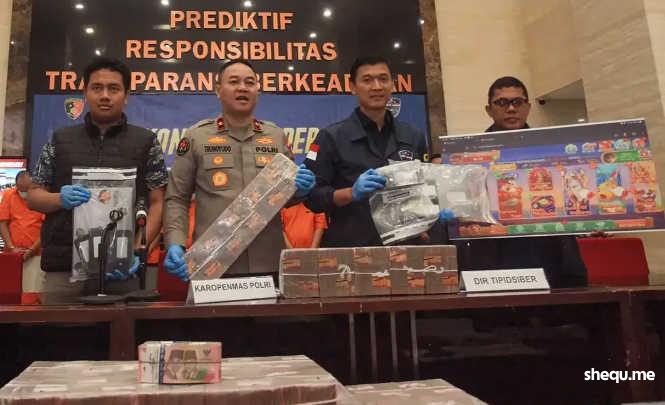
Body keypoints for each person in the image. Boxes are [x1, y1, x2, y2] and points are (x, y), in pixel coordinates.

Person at [28, 57, 168, 302]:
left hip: (122, 271)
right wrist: (59, 198)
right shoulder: (60, 139)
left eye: (113, 89)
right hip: (64, 269)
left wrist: (137, 248)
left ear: (126, 96)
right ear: (85, 92)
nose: (105, 95)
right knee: (56, 327)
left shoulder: (146, 141)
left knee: (123, 327)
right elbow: (33, 196)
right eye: (97, 88)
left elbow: (158, 201)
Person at [163, 59, 315, 281]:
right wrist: (175, 243)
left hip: (268, 262)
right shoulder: (196, 137)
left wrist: (301, 190)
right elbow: (177, 197)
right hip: (212, 264)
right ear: (218, 90)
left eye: (249, 82)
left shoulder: (276, 136)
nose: (243, 88)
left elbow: (286, 198)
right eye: (234, 82)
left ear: (258, 91)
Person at [440, 76, 587, 288]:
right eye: (501, 102)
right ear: (489, 110)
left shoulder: (553, 149)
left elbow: (572, 194)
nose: (511, 108)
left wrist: (594, 217)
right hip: (493, 254)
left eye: (517, 102)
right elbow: (459, 205)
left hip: (548, 250)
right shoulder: (468, 155)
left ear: (528, 107)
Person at [304, 56, 431, 247]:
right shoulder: (331, 137)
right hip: (352, 248)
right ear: (352, 87)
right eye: (367, 80)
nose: (377, 86)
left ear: (392, 85)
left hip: (406, 246)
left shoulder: (413, 136)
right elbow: (312, 198)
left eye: (383, 79)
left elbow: (427, 190)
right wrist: (351, 193)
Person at [0, 171, 45, 301]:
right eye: (21, 190)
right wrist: (11, 248)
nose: (24, 193)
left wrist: (31, 250)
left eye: (26, 190)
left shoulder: (41, 197)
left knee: (32, 295)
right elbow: (2, 223)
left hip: (36, 255)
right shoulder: (8, 195)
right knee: (9, 294)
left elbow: (46, 229)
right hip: (11, 255)